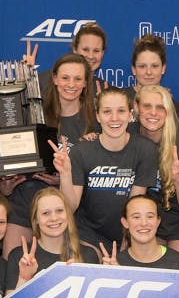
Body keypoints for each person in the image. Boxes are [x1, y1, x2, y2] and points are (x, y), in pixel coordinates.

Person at [3, 54, 98, 257]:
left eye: (78, 79)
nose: (71, 84)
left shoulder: (94, 123)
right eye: (65, 78)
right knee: (13, 267)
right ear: (54, 79)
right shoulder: (33, 113)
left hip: (66, 213)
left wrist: (64, 176)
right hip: (24, 202)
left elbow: (97, 171)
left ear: (86, 83)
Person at [54, 87, 158, 253]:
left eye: (121, 111)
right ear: (98, 116)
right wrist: (65, 174)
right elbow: (70, 208)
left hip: (127, 232)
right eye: (107, 111)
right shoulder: (82, 151)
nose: (114, 118)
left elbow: (136, 204)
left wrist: (128, 239)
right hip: (88, 235)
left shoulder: (145, 150)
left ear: (130, 115)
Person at [134, 84, 179, 257]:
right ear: (136, 108)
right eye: (147, 106)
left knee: (172, 269)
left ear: (168, 112)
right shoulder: (128, 136)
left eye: (160, 107)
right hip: (146, 220)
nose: (153, 113)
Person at [5, 187, 99, 293]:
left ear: (67, 215)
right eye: (46, 213)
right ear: (35, 219)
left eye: (59, 211)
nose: (54, 218)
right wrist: (24, 278)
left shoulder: (88, 255)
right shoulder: (20, 257)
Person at [99, 194, 179, 270]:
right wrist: (112, 276)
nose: (144, 223)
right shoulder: (115, 264)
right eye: (136, 217)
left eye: (150, 216)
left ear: (158, 221)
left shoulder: (178, 262)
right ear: (125, 222)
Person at [125, 34, 179, 111]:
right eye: (142, 66)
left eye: (154, 66)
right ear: (134, 69)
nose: (148, 72)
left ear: (163, 69)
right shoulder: (119, 99)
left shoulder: (174, 108)